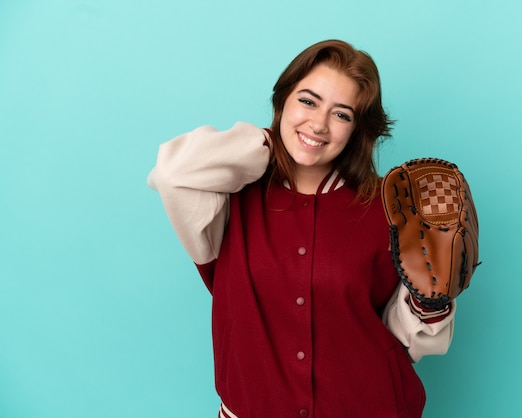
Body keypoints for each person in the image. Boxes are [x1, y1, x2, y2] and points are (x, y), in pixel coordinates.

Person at [148, 39, 455, 418]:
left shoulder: (389, 209)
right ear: (282, 101)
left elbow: (406, 338)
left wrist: (431, 303)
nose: (319, 124)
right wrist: (269, 140)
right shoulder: (224, 198)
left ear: (357, 129)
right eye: (307, 101)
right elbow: (171, 173)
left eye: (342, 114)